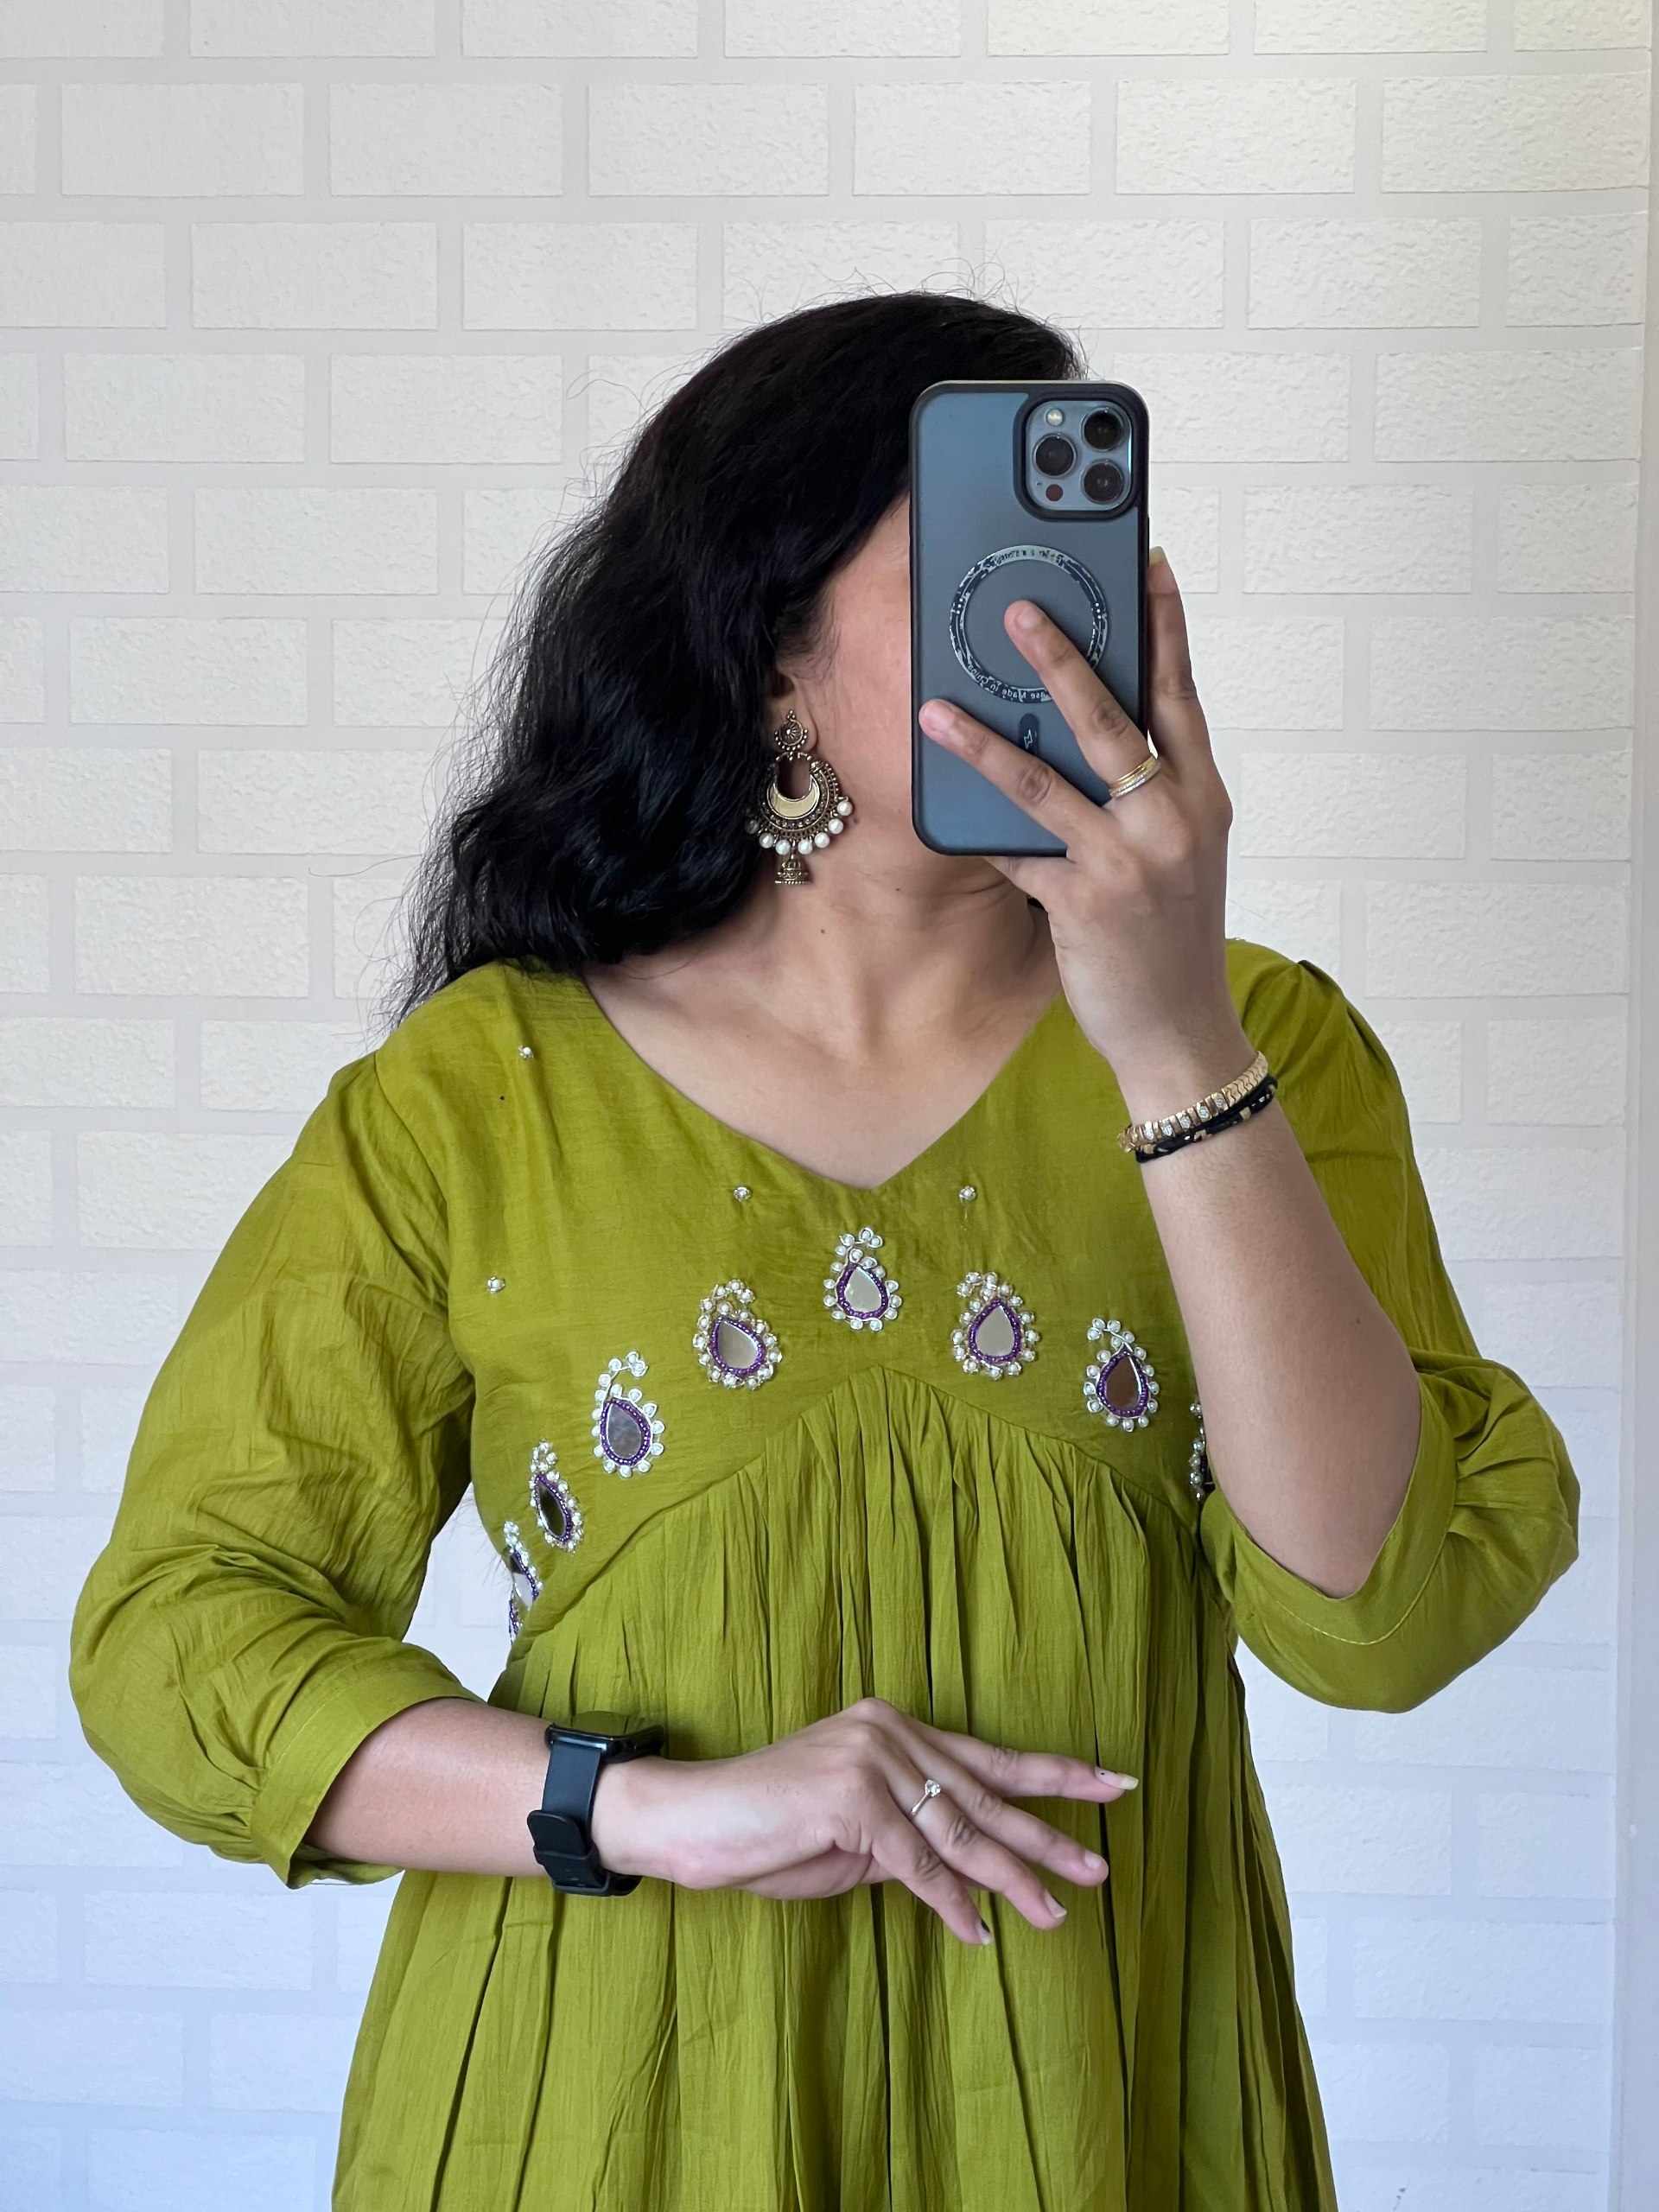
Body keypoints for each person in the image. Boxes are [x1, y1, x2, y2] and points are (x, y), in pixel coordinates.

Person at [68, 290, 1580, 2210]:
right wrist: (642, 1807)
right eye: (977, 561)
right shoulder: (481, 1093)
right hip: (603, 2113)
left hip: (1106, 2105)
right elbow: (180, 1633)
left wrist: (1175, 1035)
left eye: (1083, 559)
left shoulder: (1265, 1047)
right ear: (774, 644)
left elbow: (1384, 1614)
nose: (1052, 622)